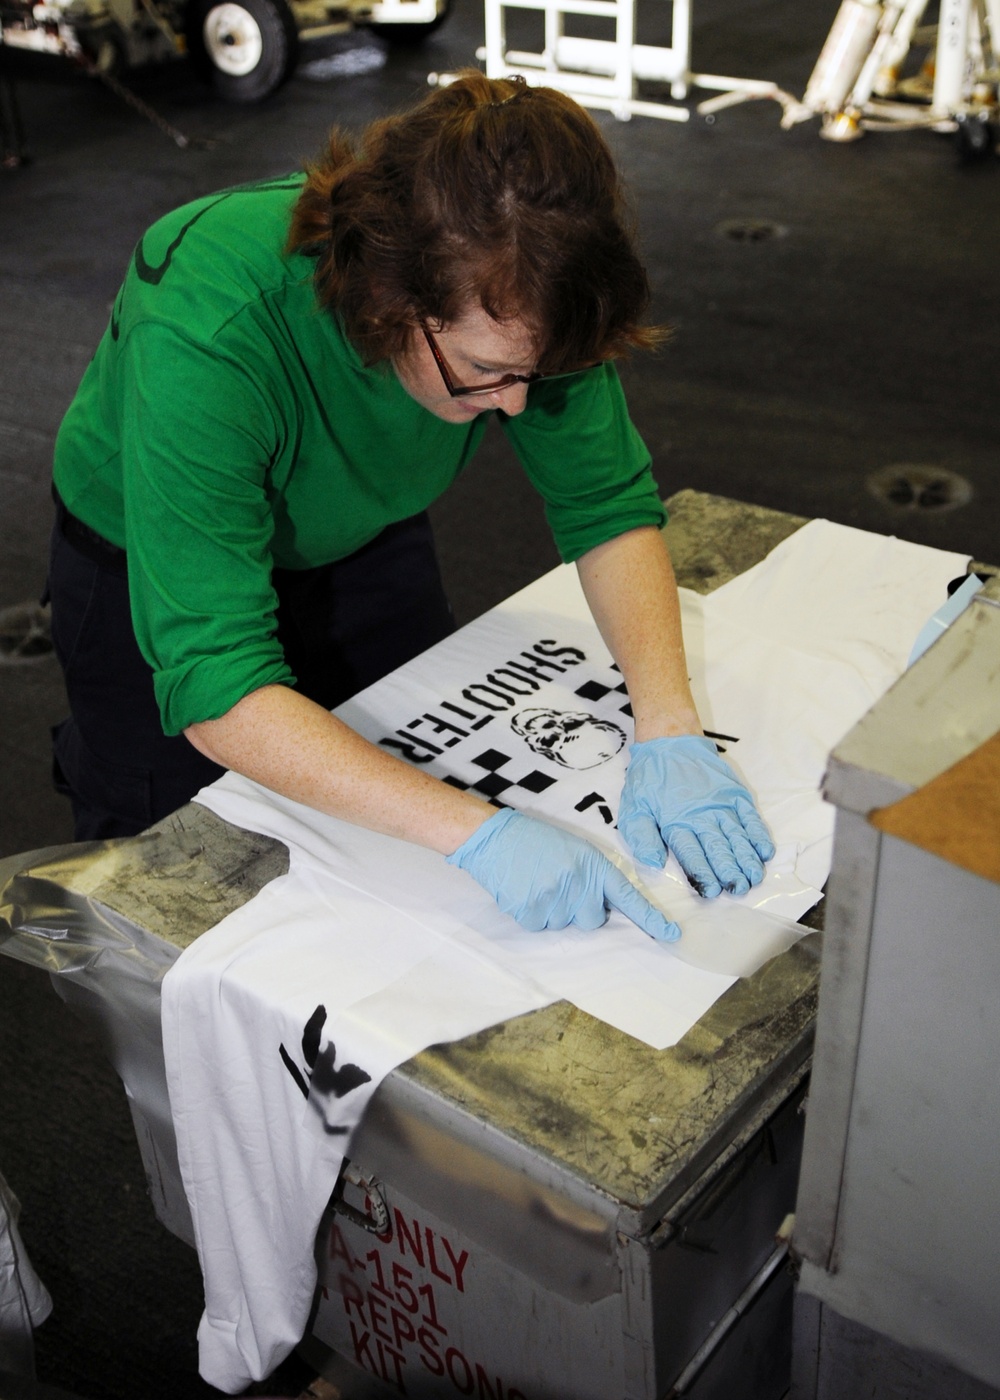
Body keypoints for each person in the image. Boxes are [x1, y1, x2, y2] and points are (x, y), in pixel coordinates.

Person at [47, 71, 774, 940]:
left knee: (410, 794)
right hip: (144, 558)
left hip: (365, 524)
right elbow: (217, 684)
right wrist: (482, 836)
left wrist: (667, 725)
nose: (515, 405)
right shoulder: (213, 325)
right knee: (184, 882)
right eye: (487, 373)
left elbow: (607, 505)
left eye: (536, 373)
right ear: (393, 300)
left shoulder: (529, 296)